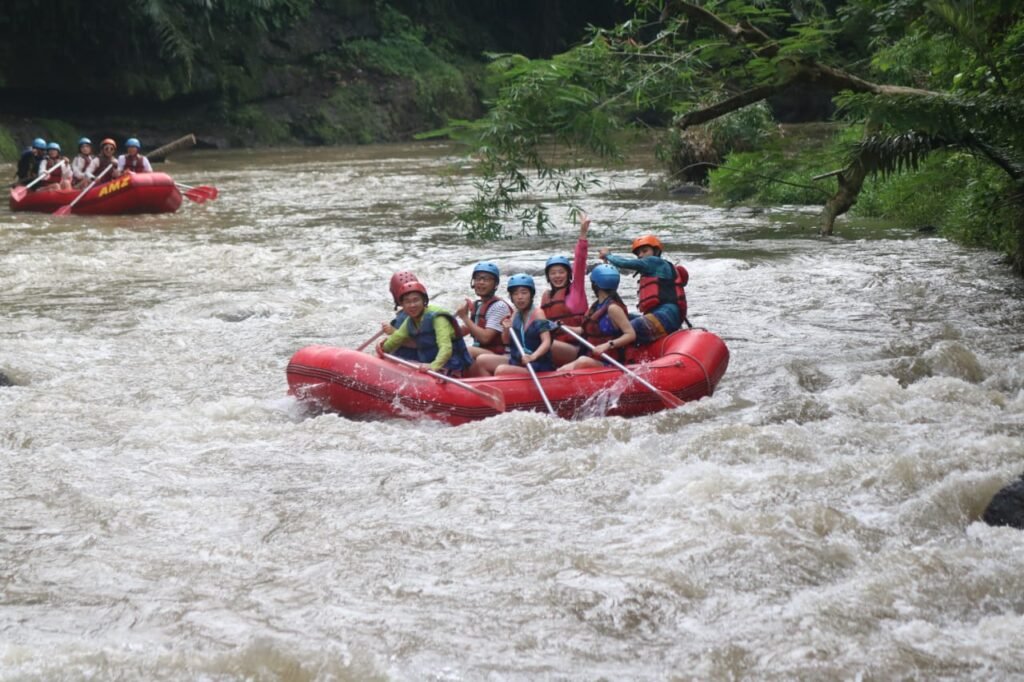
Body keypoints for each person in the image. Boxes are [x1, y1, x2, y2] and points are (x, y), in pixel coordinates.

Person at [598, 234, 688, 345]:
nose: (641, 255)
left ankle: (616, 353)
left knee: (626, 331)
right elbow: (620, 267)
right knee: (622, 318)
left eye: (645, 251)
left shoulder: (655, 262)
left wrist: (608, 255)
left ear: (655, 252)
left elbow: (624, 263)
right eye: (638, 253)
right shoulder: (652, 269)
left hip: (666, 316)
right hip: (657, 315)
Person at [377, 281, 473, 376]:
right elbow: (396, 339)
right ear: (402, 305)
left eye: (416, 300)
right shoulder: (410, 321)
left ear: (424, 301)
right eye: (407, 301)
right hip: (430, 364)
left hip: (451, 365)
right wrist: (382, 347)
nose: (412, 305)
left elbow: (446, 348)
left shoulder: (438, 317)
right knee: (392, 361)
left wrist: (433, 366)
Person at [474, 274, 556, 376]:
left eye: (524, 293)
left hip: (536, 365)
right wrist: (506, 329)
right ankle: (490, 390)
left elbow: (546, 342)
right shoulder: (515, 313)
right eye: (515, 294)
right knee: (482, 360)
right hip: (518, 361)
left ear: (531, 295)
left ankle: (503, 389)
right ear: (512, 297)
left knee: (501, 370)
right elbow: (506, 341)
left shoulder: (538, 313)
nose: (520, 297)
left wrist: (533, 357)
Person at [559, 264, 637, 371]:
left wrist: (608, 345)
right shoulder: (596, 306)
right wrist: (563, 327)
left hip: (613, 362)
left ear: (595, 285)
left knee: (582, 361)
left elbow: (630, 334)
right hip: (595, 358)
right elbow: (583, 330)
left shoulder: (613, 308)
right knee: (561, 370)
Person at [542, 214, 591, 366]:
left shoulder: (576, 291)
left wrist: (582, 234)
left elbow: (580, 262)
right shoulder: (546, 295)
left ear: (568, 274)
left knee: (547, 343)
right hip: (554, 347)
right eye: (553, 273)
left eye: (561, 272)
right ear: (548, 276)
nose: (557, 276)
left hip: (577, 347)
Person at [455, 262, 512, 376]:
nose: (480, 282)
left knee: (469, 351)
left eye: (486, 279)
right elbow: (466, 330)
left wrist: (465, 317)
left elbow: (485, 338)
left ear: (495, 284)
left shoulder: (499, 306)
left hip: (503, 356)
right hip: (486, 352)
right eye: (477, 278)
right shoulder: (478, 305)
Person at [382, 271, 421, 361]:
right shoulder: (427, 312)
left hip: (409, 360)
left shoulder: (401, 318)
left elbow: (418, 343)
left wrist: (393, 332)